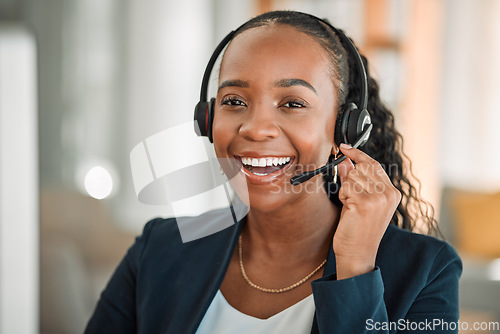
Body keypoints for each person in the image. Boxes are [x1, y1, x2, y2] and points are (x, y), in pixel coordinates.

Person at [85, 10, 461, 334]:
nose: (255, 128)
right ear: (208, 118)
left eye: (292, 103)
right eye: (234, 101)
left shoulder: (427, 271)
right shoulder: (160, 248)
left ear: (345, 129)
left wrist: (356, 267)